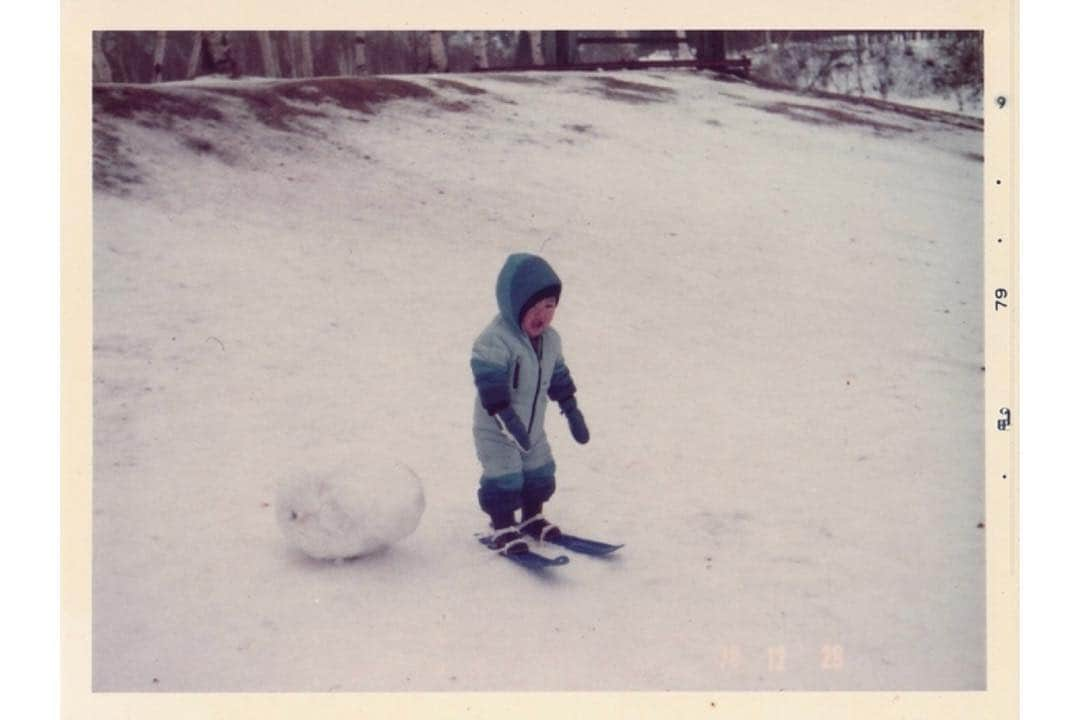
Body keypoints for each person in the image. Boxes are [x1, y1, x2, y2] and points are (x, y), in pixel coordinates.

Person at [470, 253, 590, 555]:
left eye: (549, 306)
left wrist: (571, 408)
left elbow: (558, 375)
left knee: (540, 470)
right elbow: (490, 385)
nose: (542, 315)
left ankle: (532, 517)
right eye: (533, 307)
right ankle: (503, 524)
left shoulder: (551, 341)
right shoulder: (495, 341)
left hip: (532, 427)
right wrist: (507, 420)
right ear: (514, 306)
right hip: (497, 426)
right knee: (504, 473)